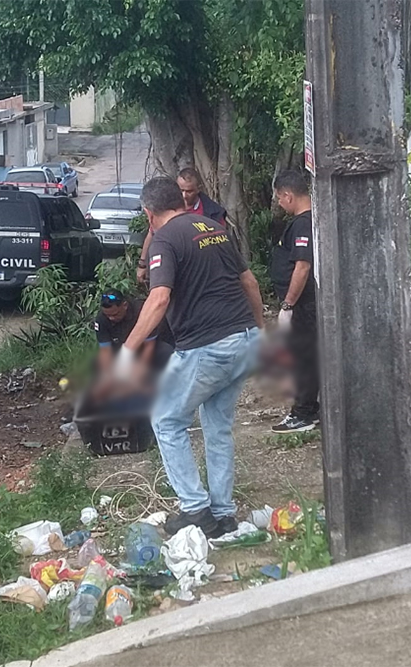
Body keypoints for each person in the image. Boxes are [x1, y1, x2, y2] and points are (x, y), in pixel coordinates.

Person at [120, 177, 264, 538]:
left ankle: (195, 509)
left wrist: (127, 350)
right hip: (242, 340)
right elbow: (250, 283)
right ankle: (223, 514)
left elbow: (159, 299)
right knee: (217, 427)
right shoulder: (212, 227)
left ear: (149, 213)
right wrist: (258, 331)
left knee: (166, 420)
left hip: (208, 346)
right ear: (179, 201)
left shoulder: (165, 239)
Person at [270, 170, 319, 433]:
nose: (279, 203)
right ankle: (309, 408)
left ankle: (303, 414)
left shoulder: (303, 223)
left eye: (279, 198)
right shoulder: (308, 220)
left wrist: (288, 305)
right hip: (302, 303)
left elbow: (302, 267)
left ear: (288, 195)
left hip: (303, 304)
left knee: (303, 358)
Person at [136, 167, 228, 285]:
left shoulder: (213, 213)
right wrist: (142, 263)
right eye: (181, 190)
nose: (184, 195)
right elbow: (152, 233)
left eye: (189, 191)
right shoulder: (166, 209)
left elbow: (222, 244)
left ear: (198, 189)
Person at [95, 289, 172, 374]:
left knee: (165, 351)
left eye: (115, 314)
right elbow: (105, 350)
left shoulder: (141, 311)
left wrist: (138, 372)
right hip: (121, 350)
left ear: (125, 305)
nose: (111, 318)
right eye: (108, 315)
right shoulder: (101, 318)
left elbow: (149, 346)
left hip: (147, 348)